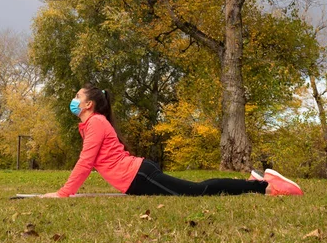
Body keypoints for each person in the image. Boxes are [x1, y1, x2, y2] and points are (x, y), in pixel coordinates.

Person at [40, 83, 303, 198]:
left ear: (88, 103)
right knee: (194, 190)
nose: (74, 101)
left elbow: (85, 162)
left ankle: (264, 187)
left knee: (196, 191)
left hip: (139, 176)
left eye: (77, 96)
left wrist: (63, 193)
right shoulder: (90, 125)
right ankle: (256, 183)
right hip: (137, 176)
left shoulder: (96, 122)